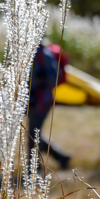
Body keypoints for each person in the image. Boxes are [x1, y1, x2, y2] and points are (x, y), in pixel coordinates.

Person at [27, 40, 71, 171]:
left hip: (42, 100)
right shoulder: (25, 54)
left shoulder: (44, 55)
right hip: (30, 100)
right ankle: (61, 157)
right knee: (34, 133)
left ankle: (33, 168)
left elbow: (55, 77)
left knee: (33, 134)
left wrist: (41, 79)